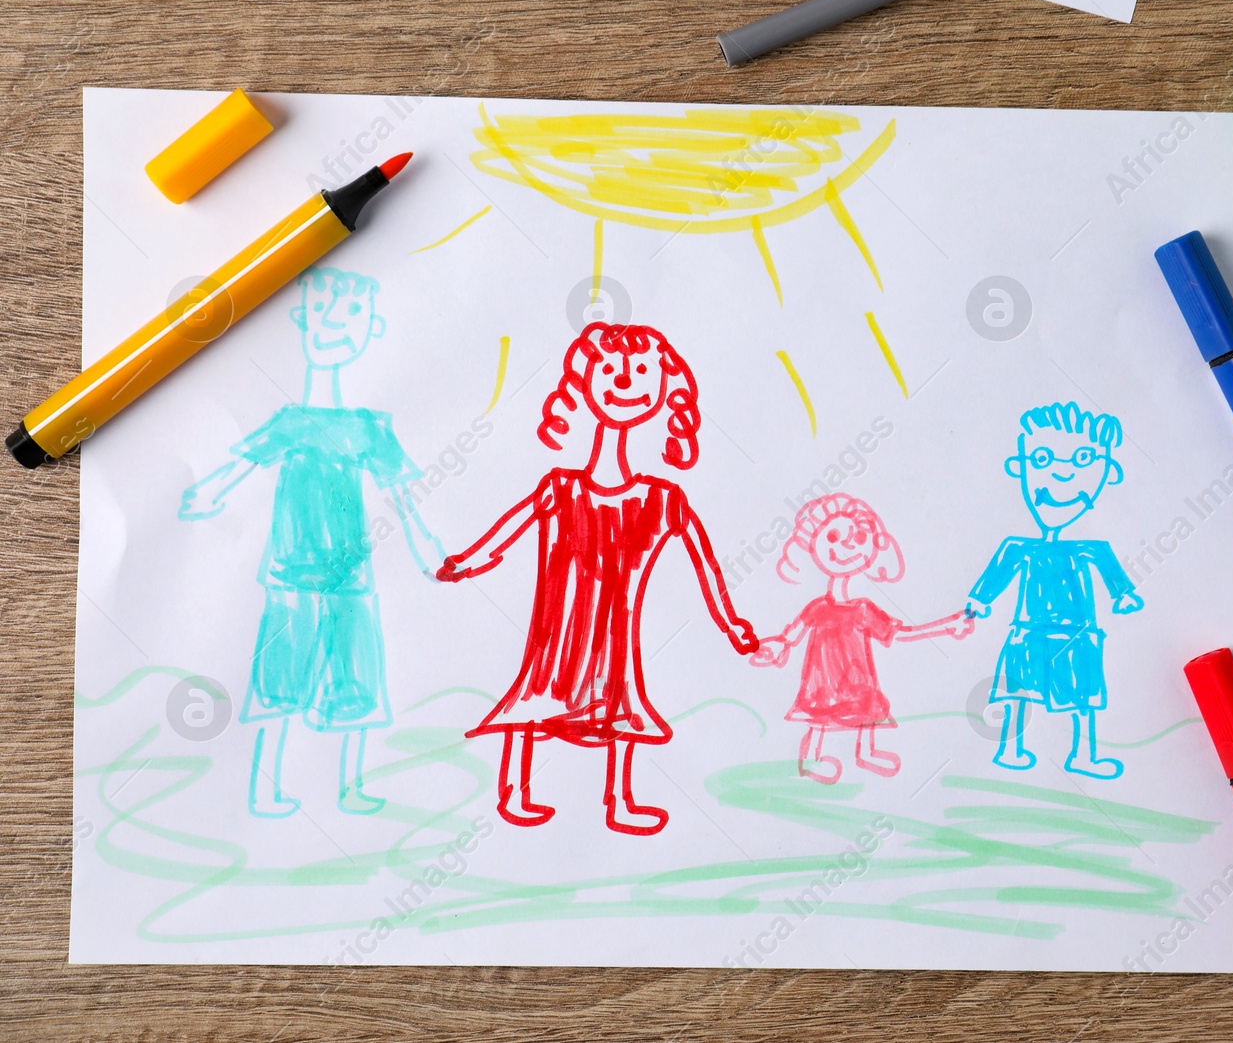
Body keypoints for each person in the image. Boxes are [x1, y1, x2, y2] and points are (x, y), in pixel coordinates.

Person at [438, 321, 758, 835]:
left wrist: (731, 622)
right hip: (558, 628)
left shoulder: (662, 499)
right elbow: (509, 532)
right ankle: (517, 791)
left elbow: (705, 565)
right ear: (586, 383)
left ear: (663, 393)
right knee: (537, 691)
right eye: (610, 371)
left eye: (640, 374)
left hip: (614, 636)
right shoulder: (560, 488)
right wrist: (469, 561)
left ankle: (619, 799)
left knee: (621, 698)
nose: (625, 382)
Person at [179, 266, 444, 818]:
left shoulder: (368, 426)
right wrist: (207, 492)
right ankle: (265, 790)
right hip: (291, 577)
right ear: (301, 321)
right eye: (323, 312)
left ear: (372, 330)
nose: (334, 325)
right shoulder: (291, 421)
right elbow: (241, 465)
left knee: (356, 680)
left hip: (351, 578)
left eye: (351, 315)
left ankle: (349, 787)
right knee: (280, 683)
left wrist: (426, 547)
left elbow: (400, 491)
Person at [966, 401, 1144, 779]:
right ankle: (1011, 749)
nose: (1062, 475)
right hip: (1028, 632)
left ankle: (1082, 755)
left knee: (1083, 697)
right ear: (1021, 468)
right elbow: (998, 574)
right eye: (1043, 459)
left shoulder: (1090, 548)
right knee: (1017, 693)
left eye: (1083, 460)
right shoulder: (1020, 547)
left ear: (1108, 474)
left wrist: (1123, 594)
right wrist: (979, 600)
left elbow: (1113, 574)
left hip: (1078, 635)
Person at [751, 493, 973, 784]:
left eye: (857, 537)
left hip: (858, 683)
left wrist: (944, 627)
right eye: (832, 536)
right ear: (811, 545)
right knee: (820, 716)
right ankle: (810, 759)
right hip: (824, 683)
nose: (845, 546)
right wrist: (772, 649)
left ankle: (865, 752)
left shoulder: (864, 610)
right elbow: (789, 637)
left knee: (867, 709)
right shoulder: (818, 607)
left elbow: (900, 634)